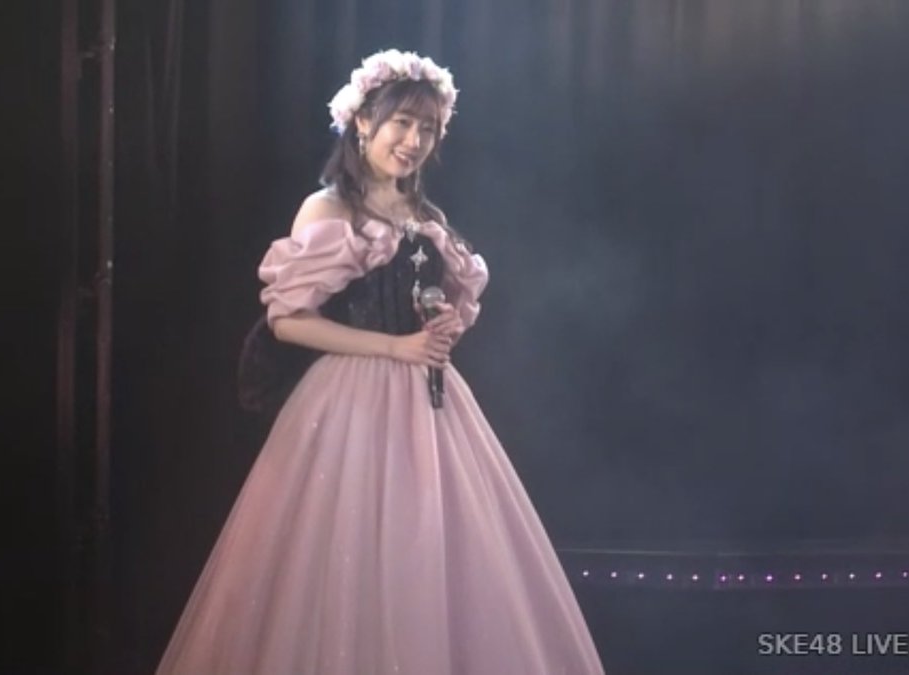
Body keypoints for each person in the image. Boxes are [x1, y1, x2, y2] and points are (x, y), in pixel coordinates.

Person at [156, 49, 604, 674]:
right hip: (349, 401)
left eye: (428, 129)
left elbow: (436, 303)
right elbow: (287, 321)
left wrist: (439, 324)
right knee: (349, 550)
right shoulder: (329, 210)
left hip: (429, 404)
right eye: (402, 123)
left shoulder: (425, 218)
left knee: (431, 549)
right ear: (364, 122)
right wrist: (394, 347)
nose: (414, 141)